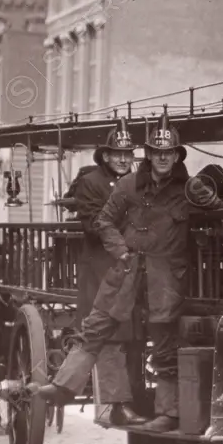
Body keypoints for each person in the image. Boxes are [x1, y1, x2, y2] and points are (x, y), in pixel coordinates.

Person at [33, 113, 223, 433]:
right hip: (126, 272)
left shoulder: (188, 189)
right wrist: (121, 251)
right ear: (148, 154)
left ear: (177, 155)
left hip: (166, 278)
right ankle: (64, 386)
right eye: (156, 152)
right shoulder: (128, 184)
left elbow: (216, 211)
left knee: (163, 343)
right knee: (95, 326)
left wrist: (210, 197)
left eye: (169, 152)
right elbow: (104, 221)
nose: (163, 158)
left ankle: (168, 414)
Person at [54, 121, 147, 427]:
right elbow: (95, 224)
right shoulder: (91, 183)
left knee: (133, 335)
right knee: (110, 335)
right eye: (117, 153)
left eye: (127, 153)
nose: (123, 158)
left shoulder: (138, 182)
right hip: (101, 268)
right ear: (105, 156)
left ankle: (133, 399)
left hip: (130, 268)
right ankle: (115, 405)